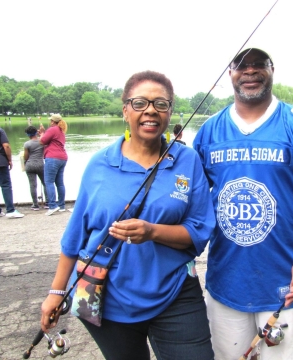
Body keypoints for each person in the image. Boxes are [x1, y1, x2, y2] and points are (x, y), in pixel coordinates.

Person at [40, 71, 216, 360]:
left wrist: (152, 232)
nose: (150, 110)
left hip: (175, 292)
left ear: (170, 112)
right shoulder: (99, 165)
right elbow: (75, 236)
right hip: (106, 296)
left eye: (161, 104)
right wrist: (56, 293)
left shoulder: (187, 161)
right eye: (139, 103)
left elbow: (199, 230)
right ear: (125, 111)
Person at [193, 48, 293, 360]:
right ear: (229, 74)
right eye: (241, 65)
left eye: (258, 64)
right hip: (225, 282)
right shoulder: (209, 130)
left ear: (272, 70)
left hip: (285, 282)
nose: (250, 71)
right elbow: (193, 203)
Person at [39, 114, 68, 215]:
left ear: (52, 121)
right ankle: (61, 205)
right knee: (59, 183)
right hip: (62, 158)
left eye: (50, 121)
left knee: (49, 181)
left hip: (52, 157)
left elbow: (42, 141)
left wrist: (42, 133)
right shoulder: (61, 131)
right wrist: (43, 132)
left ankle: (52, 205)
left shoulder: (52, 129)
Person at [24, 125, 48, 210]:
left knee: (32, 185)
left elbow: (26, 157)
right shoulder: (41, 142)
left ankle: (35, 204)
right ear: (36, 132)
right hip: (40, 164)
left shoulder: (27, 144)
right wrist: (41, 134)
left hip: (30, 165)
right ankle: (48, 203)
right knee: (45, 183)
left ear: (27, 134)